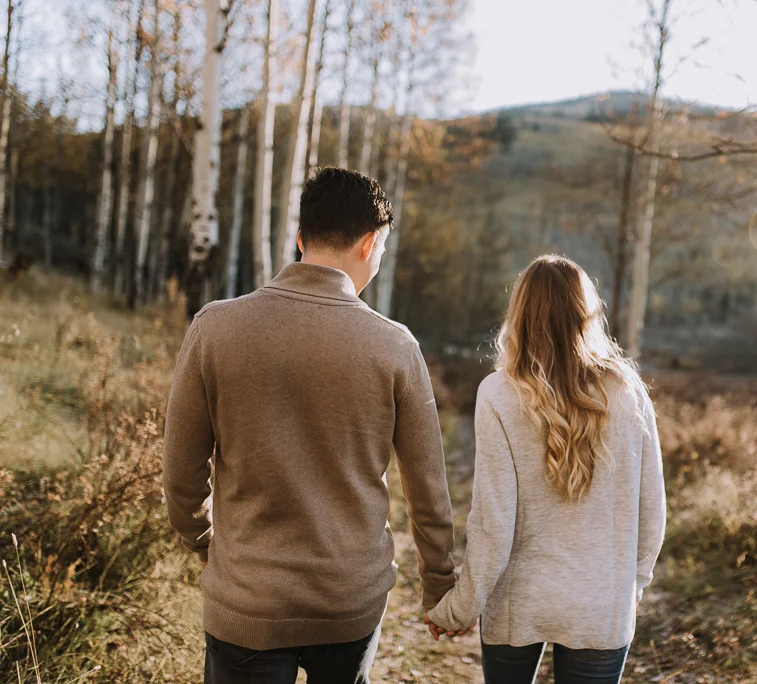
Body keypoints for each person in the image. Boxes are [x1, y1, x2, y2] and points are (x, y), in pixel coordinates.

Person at [163, 167, 460, 684]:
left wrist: (208, 544)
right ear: (369, 243)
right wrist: (438, 584)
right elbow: (428, 489)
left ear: (301, 238)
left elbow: (181, 474)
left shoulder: (215, 328)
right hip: (348, 602)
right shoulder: (395, 347)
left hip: (247, 598)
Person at [426, 255, 667, 684]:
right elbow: (652, 511)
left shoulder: (498, 393)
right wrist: (633, 585)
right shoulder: (628, 391)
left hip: (518, 602)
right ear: (587, 313)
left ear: (519, 314)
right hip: (601, 604)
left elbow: (492, 524)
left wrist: (460, 608)